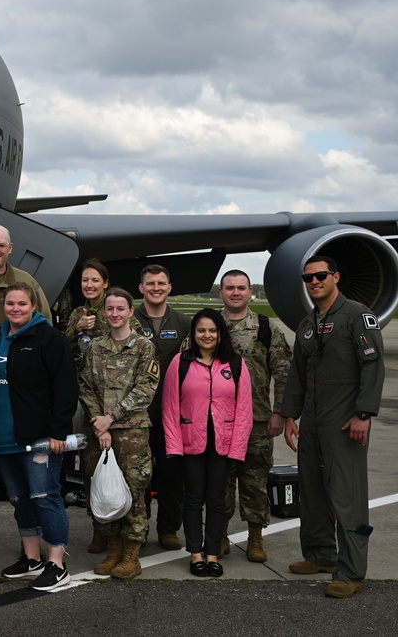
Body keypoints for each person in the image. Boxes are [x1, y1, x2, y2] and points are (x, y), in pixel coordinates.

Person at [282, 256, 385, 599]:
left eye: (321, 275)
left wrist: (364, 414)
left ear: (336, 277)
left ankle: (351, 571)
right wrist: (289, 416)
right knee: (311, 489)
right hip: (312, 418)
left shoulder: (357, 316)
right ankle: (321, 555)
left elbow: (372, 366)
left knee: (346, 494)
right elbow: (297, 374)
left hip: (345, 419)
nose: (314, 282)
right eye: (308, 277)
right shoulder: (308, 323)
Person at [0, 282, 78, 593]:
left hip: (37, 438)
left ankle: (57, 564)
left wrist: (58, 431)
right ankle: (32, 557)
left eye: (22, 304)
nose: (15, 309)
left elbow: (65, 387)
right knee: (20, 499)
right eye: (10, 303)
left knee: (45, 496)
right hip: (3, 438)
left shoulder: (49, 338)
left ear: (34, 306)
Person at [162, 308, 253, 578]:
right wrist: (174, 447)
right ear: (194, 333)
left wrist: (237, 447)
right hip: (191, 443)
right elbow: (169, 408)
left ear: (220, 333)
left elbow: (244, 410)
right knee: (192, 498)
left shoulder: (235, 364)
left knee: (216, 499)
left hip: (222, 444)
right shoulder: (181, 363)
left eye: (212, 330)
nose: (207, 335)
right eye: (201, 330)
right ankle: (196, 553)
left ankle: (212, 553)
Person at [78, 287, 158, 581]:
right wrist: (99, 421)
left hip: (131, 433)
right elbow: (85, 386)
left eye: (120, 309)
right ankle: (113, 548)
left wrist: (110, 418)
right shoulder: (96, 347)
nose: (114, 314)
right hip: (99, 432)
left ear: (130, 311)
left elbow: (145, 389)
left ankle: (130, 555)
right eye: (109, 309)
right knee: (103, 491)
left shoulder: (143, 347)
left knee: (134, 493)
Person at [67, 260, 142, 554]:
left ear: (106, 283)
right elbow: (66, 351)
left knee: (128, 474)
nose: (89, 286)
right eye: (85, 281)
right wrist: (76, 329)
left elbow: (133, 348)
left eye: (95, 281)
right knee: (92, 470)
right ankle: (100, 530)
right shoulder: (78, 314)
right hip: (91, 403)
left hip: (121, 406)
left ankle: (127, 537)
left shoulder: (117, 310)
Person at [219, 269, 292, 562]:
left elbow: (284, 371)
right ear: (221, 292)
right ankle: (219, 535)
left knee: (255, 482)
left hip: (258, 420)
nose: (235, 292)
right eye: (229, 288)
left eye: (241, 287)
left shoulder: (266, 327)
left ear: (250, 291)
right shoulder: (210, 326)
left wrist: (280, 413)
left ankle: (256, 539)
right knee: (220, 482)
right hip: (219, 421)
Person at [133, 264, 191, 550]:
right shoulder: (128, 320)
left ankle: (168, 528)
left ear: (169, 288)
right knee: (138, 474)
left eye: (161, 283)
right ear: (141, 288)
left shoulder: (184, 323)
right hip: (137, 411)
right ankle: (138, 528)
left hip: (172, 411)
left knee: (171, 473)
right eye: (150, 283)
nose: (156, 288)